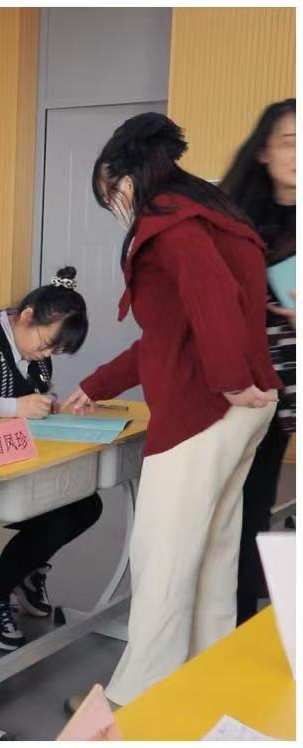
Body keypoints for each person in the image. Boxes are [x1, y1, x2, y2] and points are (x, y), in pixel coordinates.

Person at [62, 113, 281, 710]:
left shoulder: (171, 225)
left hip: (203, 410)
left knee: (162, 556)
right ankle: (203, 685)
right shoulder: (215, 215)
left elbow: (214, 303)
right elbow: (167, 335)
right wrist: (97, 383)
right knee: (210, 553)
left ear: (128, 179)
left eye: (109, 192)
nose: (112, 205)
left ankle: (137, 699)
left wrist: (230, 382)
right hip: (241, 410)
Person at [0, 267, 102, 651]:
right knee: (58, 514)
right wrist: (16, 407)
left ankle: (20, 575)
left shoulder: (36, 352)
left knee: (85, 505)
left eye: (55, 352)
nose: (46, 355)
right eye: (46, 344)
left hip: (20, 468)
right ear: (26, 316)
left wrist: (51, 406)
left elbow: (35, 395)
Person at [220, 98, 296, 624]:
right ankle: (239, 623)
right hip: (255, 389)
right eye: (290, 141)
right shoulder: (235, 222)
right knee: (248, 507)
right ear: (264, 151)